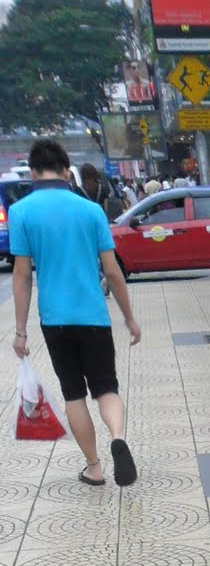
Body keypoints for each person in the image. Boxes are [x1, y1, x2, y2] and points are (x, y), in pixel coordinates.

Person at [9, 137, 140, 488]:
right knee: (106, 388)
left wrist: (20, 331)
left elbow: (22, 275)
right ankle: (117, 436)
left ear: (34, 172)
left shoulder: (22, 212)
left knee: (73, 394)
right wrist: (129, 317)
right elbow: (112, 271)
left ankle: (95, 467)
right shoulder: (90, 210)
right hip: (94, 316)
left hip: (55, 319)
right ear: (67, 171)